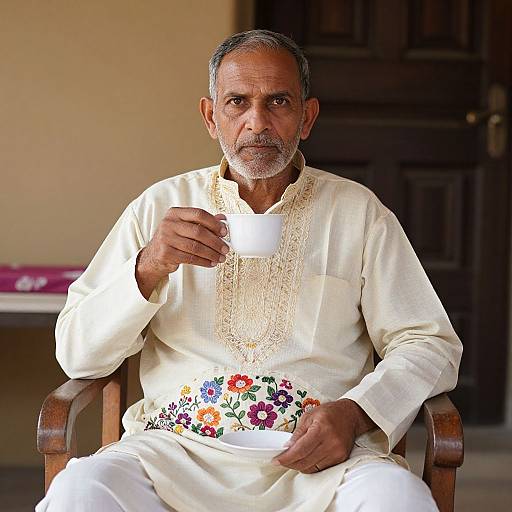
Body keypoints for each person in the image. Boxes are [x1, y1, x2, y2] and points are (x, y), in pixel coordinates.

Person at [37, 29, 462, 512]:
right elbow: (77, 356)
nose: (257, 122)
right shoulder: (158, 208)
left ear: (307, 117)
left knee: (398, 500)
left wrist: (356, 414)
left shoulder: (358, 213)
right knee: (79, 492)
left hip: (322, 464)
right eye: (237, 102)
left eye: (278, 101)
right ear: (210, 117)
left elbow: (431, 343)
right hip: (175, 455)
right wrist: (150, 265)